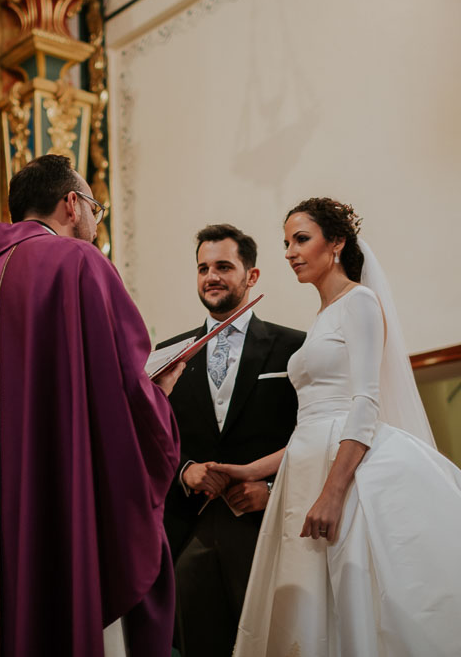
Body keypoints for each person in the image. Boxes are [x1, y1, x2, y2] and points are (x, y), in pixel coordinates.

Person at [208, 198, 461, 657]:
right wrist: (250, 469)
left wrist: (334, 492)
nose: (291, 252)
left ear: (335, 243)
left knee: (374, 593)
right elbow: (312, 424)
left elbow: (364, 403)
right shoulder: (320, 320)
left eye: (301, 239)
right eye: (286, 243)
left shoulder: (360, 302)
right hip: (306, 468)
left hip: (347, 473)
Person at [0, 154, 184, 657]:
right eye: (96, 210)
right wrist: (160, 394)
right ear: (72, 204)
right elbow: (127, 391)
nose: (96, 225)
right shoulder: (80, 264)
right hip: (55, 503)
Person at [156, 224, 303, 657]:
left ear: (251, 276)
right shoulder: (168, 353)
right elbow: (153, 435)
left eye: (223, 266)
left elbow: (311, 436)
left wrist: (272, 490)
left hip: (266, 529)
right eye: (203, 268)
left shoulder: (293, 348)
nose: (211, 276)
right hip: (190, 529)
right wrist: (185, 470)